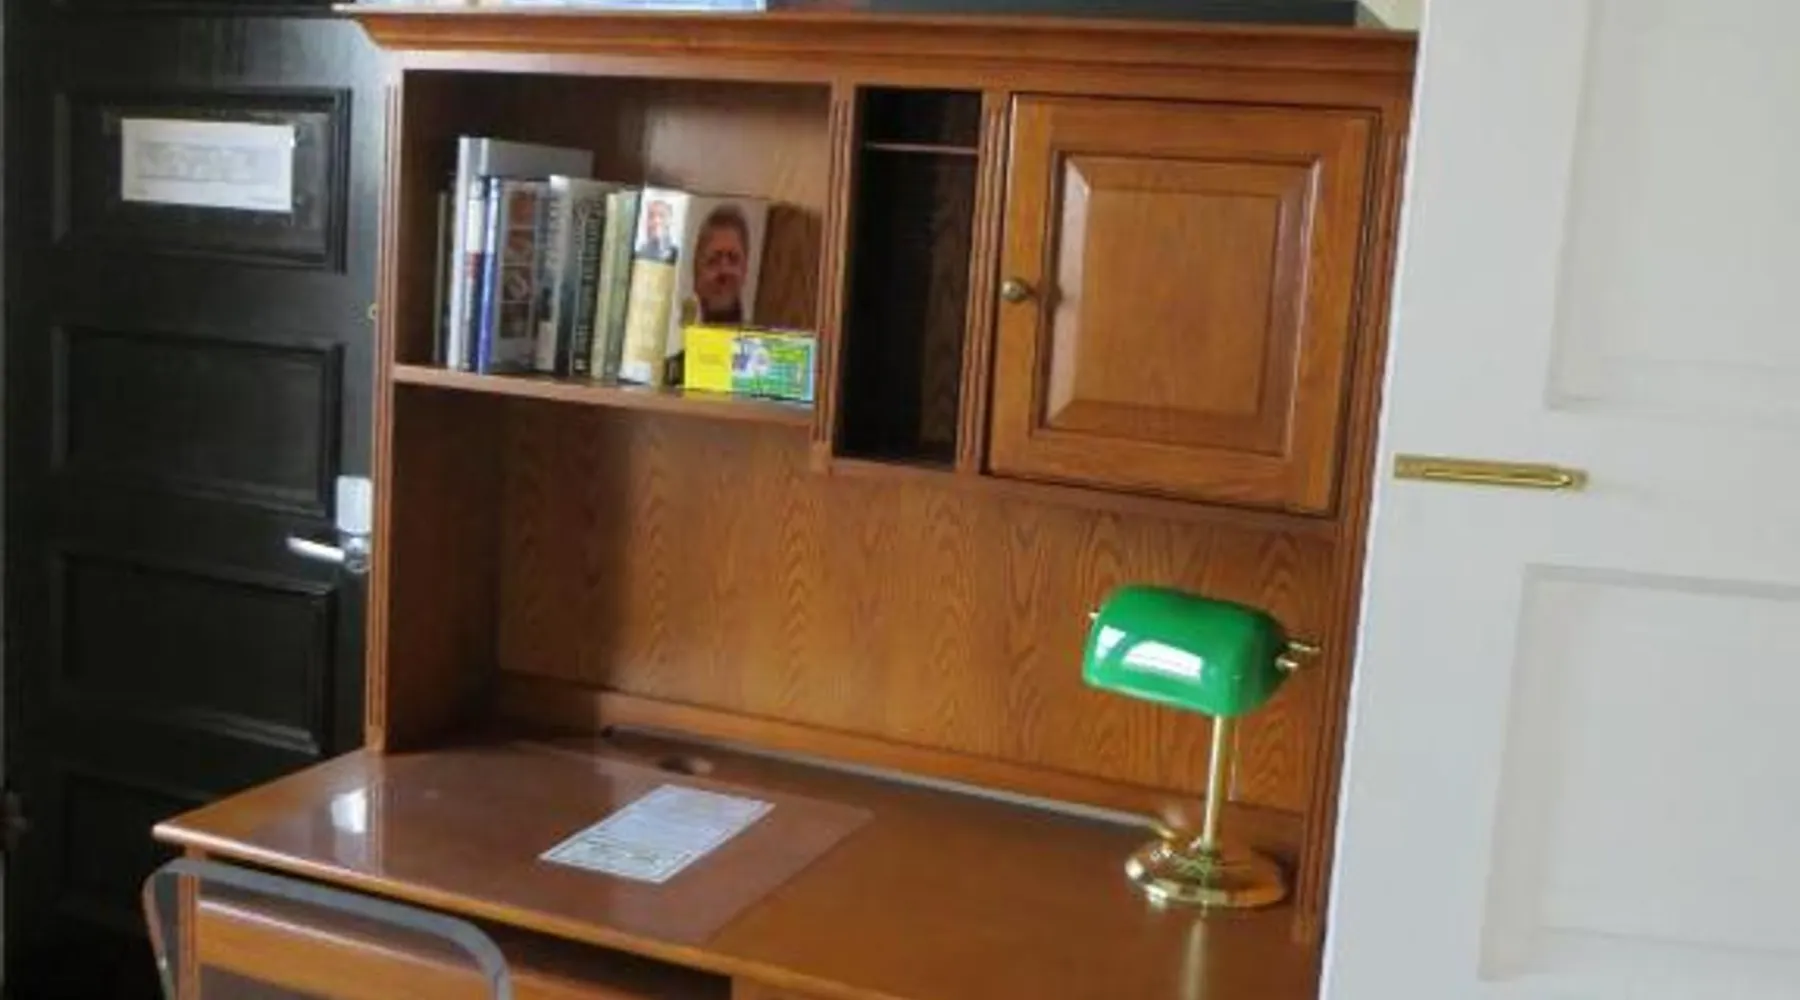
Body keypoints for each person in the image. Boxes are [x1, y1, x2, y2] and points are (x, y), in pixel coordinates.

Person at [691, 204, 752, 324]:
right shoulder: (674, 332)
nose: (724, 270)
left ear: (745, 269)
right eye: (713, 260)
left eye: (733, 259)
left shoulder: (758, 335)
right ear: (697, 270)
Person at [635, 198, 677, 263]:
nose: (656, 221)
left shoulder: (677, 254)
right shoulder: (640, 252)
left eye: (662, 216)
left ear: (669, 222)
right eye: (651, 216)